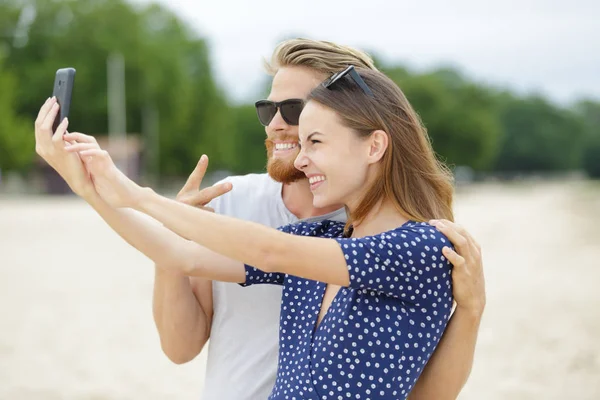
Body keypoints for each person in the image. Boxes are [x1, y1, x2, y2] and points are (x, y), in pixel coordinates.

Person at [33, 39, 485, 400]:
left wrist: (138, 194)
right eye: (272, 114)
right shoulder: (320, 232)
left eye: (316, 139)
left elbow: (269, 248)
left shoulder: (421, 246)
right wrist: (89, 188)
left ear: (374, 146)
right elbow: (181, 255)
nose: (299, 154)